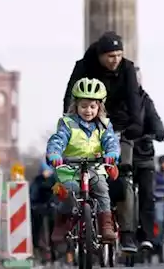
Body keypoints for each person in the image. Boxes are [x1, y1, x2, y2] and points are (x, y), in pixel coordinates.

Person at [46, 78, 122, 243]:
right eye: (84, 106)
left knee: (102, 189)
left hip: (95, 167)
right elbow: (57, 140)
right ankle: (62, 223)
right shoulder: (67, 124)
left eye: (92, 106)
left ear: (99, 107)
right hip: (70, 169)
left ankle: (105, 226)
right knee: (69, 192)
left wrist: (112, 153)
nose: (88, 110)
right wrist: (54, 154)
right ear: (76, 106)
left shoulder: (104, 125)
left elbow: (111, 141)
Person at [131, 70, 164, 253]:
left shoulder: (146, 101)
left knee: (146, 194)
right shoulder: (113, 100)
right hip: (120, 154)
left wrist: (157, 133)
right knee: (118, 192)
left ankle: (146, 236)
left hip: (143, 155)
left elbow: (156, 122)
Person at [29, 162, 57, 260]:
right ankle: (38, 247)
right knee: (37, 226)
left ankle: (53, 249)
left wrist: (54, 203)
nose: (46, 173)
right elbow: (33, 193)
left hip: (51, 206)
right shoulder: (38, 180)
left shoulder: (54, 180)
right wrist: (34, 205)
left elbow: (58, 193)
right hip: (40, 206)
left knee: (52, 226)